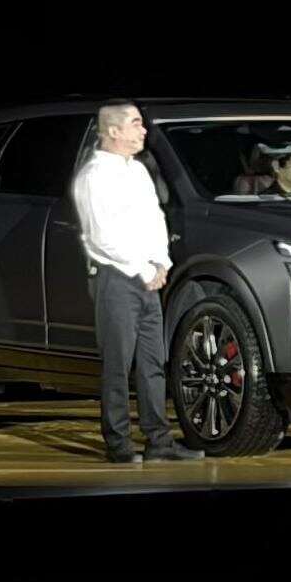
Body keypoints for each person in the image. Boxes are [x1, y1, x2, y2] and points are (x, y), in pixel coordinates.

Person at [73, 101, 197, 464]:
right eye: (136, 123)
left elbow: (155, 220)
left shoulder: (139, 171)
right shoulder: (94, 177)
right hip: (117, 279)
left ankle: (159, 440)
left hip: (148, 279)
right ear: (113, 131)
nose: (144, 130)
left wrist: (161, 263)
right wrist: (144, 269)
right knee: (118, 364)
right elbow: (102, 237)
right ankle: (118, 443)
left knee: (152, 363)